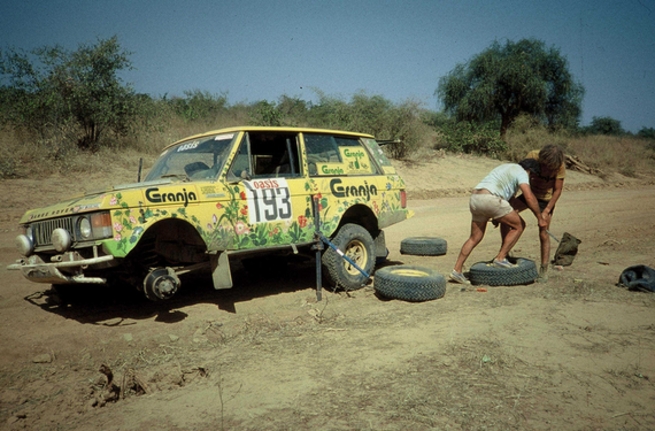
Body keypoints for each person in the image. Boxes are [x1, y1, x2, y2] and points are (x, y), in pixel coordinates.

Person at [450, 159, 547, 285]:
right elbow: (529, 196)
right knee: (519, 225)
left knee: (474, 238)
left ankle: (456, 270)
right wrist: (540, 218)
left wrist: (497, 216)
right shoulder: (522, 173)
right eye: (532, 176)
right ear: (530, 172)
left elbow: (509, 200)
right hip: (490, 198)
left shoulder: (505, 168)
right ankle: (500, 258)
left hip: (475, 198)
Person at [503, 144, 565, 283]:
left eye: (551, 169)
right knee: (506, 217)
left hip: (545, 199)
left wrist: (547, 211)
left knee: (544, 232)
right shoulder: (532, 156)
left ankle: (543, 270)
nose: (547, 171)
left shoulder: (560, 165)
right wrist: (511, 200)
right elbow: (519, 179)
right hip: (529, 193)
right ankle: (505, 253)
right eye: (545, 167)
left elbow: (557, 190)